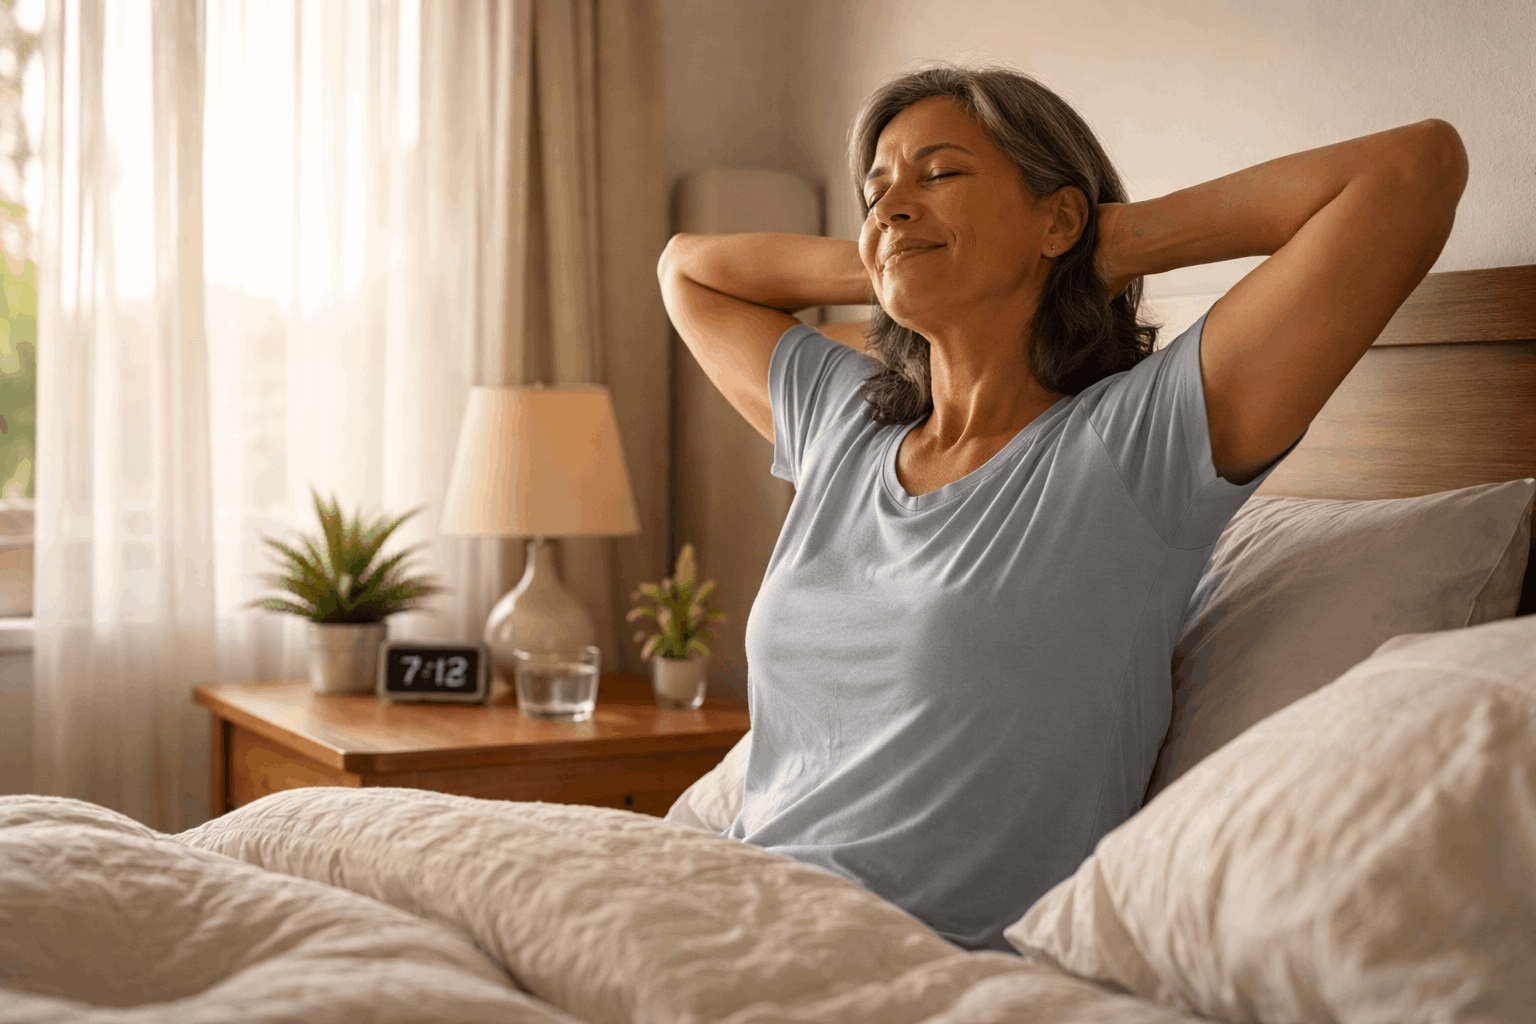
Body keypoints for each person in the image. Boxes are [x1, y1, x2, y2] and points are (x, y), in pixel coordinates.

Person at [655, 61, 1466, 953]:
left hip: (911, 967)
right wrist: (892, 257)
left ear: (1059, 214)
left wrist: (1109, 245)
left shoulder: (1133, 447)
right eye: (876, 187)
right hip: (733, 914)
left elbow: (1412, 171)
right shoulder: (845, 426)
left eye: (940, 172)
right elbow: (687, 270)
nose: (888, 204)